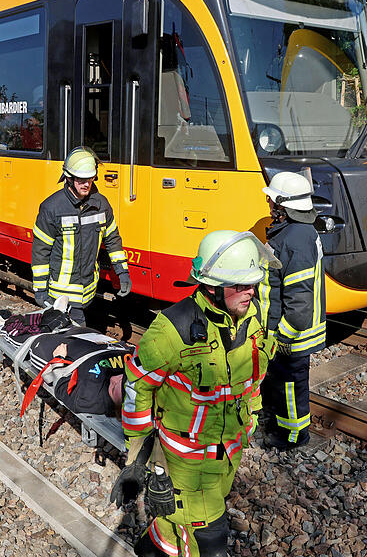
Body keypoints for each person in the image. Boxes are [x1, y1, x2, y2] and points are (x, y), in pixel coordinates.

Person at [112, 230, 280, 557]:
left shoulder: (253, 316)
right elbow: (136, 388)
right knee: (210, 540)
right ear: (212, 287)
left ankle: (152, 547)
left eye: (253, 283)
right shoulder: (171, 330)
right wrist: (139, 461)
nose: (250, 291)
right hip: (182, 461)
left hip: (228, 451)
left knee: (175, 528)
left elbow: (252, 375)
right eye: (240, 285)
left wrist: (253, 416)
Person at [259, 171, 326, 450]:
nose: (269, 206)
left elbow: (299, 302)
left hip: (292, 335)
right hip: (285, 330)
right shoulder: (297, 232)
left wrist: (283, 336)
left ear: (284, 207)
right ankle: (280, 424)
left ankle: (294, 436)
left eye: (273, 202)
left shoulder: (294, 240)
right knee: (280, 383)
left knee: (290, 386)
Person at [31, 146, 130, 325]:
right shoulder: (51, 208)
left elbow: (113, 239)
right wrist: (39, 288)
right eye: (81, 180)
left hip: (89, 290)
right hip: (62, 294)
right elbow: (40, 251)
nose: (86, 184)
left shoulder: (101, 204)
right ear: (69, 178)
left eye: (90, 179)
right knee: (72, 340)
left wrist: (122, 272)